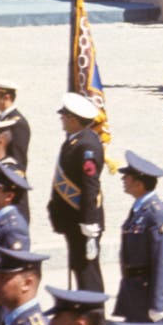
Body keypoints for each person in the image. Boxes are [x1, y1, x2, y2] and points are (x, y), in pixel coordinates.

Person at [49, 94, 107, 294]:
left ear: (73, 120)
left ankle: (95, 318)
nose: (61, 119)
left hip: (83, 221)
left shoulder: (87, 146)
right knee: (79, 266)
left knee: (87, 272)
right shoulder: (76, 140)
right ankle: (84, 310)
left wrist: (89, 222)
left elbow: (90, 184)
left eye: (64, 116)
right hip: (74, 219)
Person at [115, 153, 163, 324]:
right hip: (135, 294)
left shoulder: (158, 214)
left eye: (127, 176)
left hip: (149, 296)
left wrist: (160, 303)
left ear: (139, 183)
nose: (123, 179)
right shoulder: (140, 209)